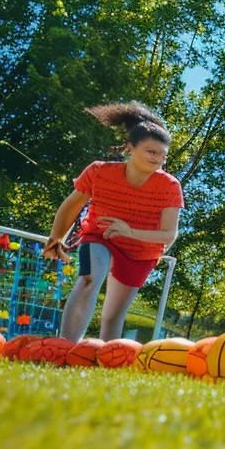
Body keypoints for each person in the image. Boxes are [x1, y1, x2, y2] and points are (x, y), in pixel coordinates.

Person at [43, 103, 184, 341]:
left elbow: (169, 234)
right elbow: (71, 206)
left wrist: (130, 231)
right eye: (151, 152)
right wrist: (56, 238)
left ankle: (107, 361)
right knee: (89, 279)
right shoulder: (99, 172)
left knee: (113, 315)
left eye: (162, 154)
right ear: (130, 148)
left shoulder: (170, 186)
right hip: (99, 237)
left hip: (142, 252)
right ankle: (64, 348)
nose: (159, 159)